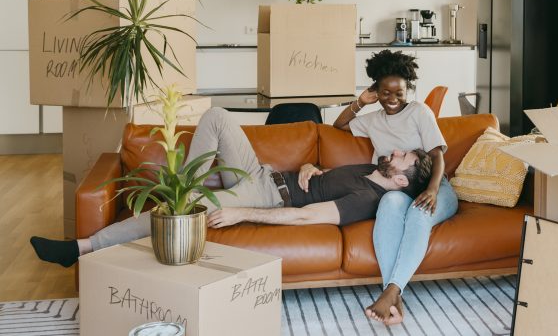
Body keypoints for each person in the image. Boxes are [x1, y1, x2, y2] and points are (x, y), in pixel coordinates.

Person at [30, 107, 432, 268]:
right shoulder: (368, 168)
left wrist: (242, 213)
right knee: (218, 116)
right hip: (260, 172)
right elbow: (321, 171)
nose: (395, 150)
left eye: (403, 158)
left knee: (179, 210)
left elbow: (308, 215)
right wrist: (310, 162)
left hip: (264, 196)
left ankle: (80, 249)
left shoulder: (369, 199)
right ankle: (187, 182)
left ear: (400, 180)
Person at [332, 50, 459, 325]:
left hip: (437, 186)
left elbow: (437, 154)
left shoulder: (419, 112)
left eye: (399, 93)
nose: (392, 100)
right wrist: (360, 102)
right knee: (388, 202)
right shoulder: (373, 120)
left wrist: (433, 190)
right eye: (385, 93)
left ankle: (390, 292)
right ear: (376, 89)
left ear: (407, 90)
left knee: (419, 212)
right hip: (398, 190)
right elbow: (339, 125)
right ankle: (394, 296)